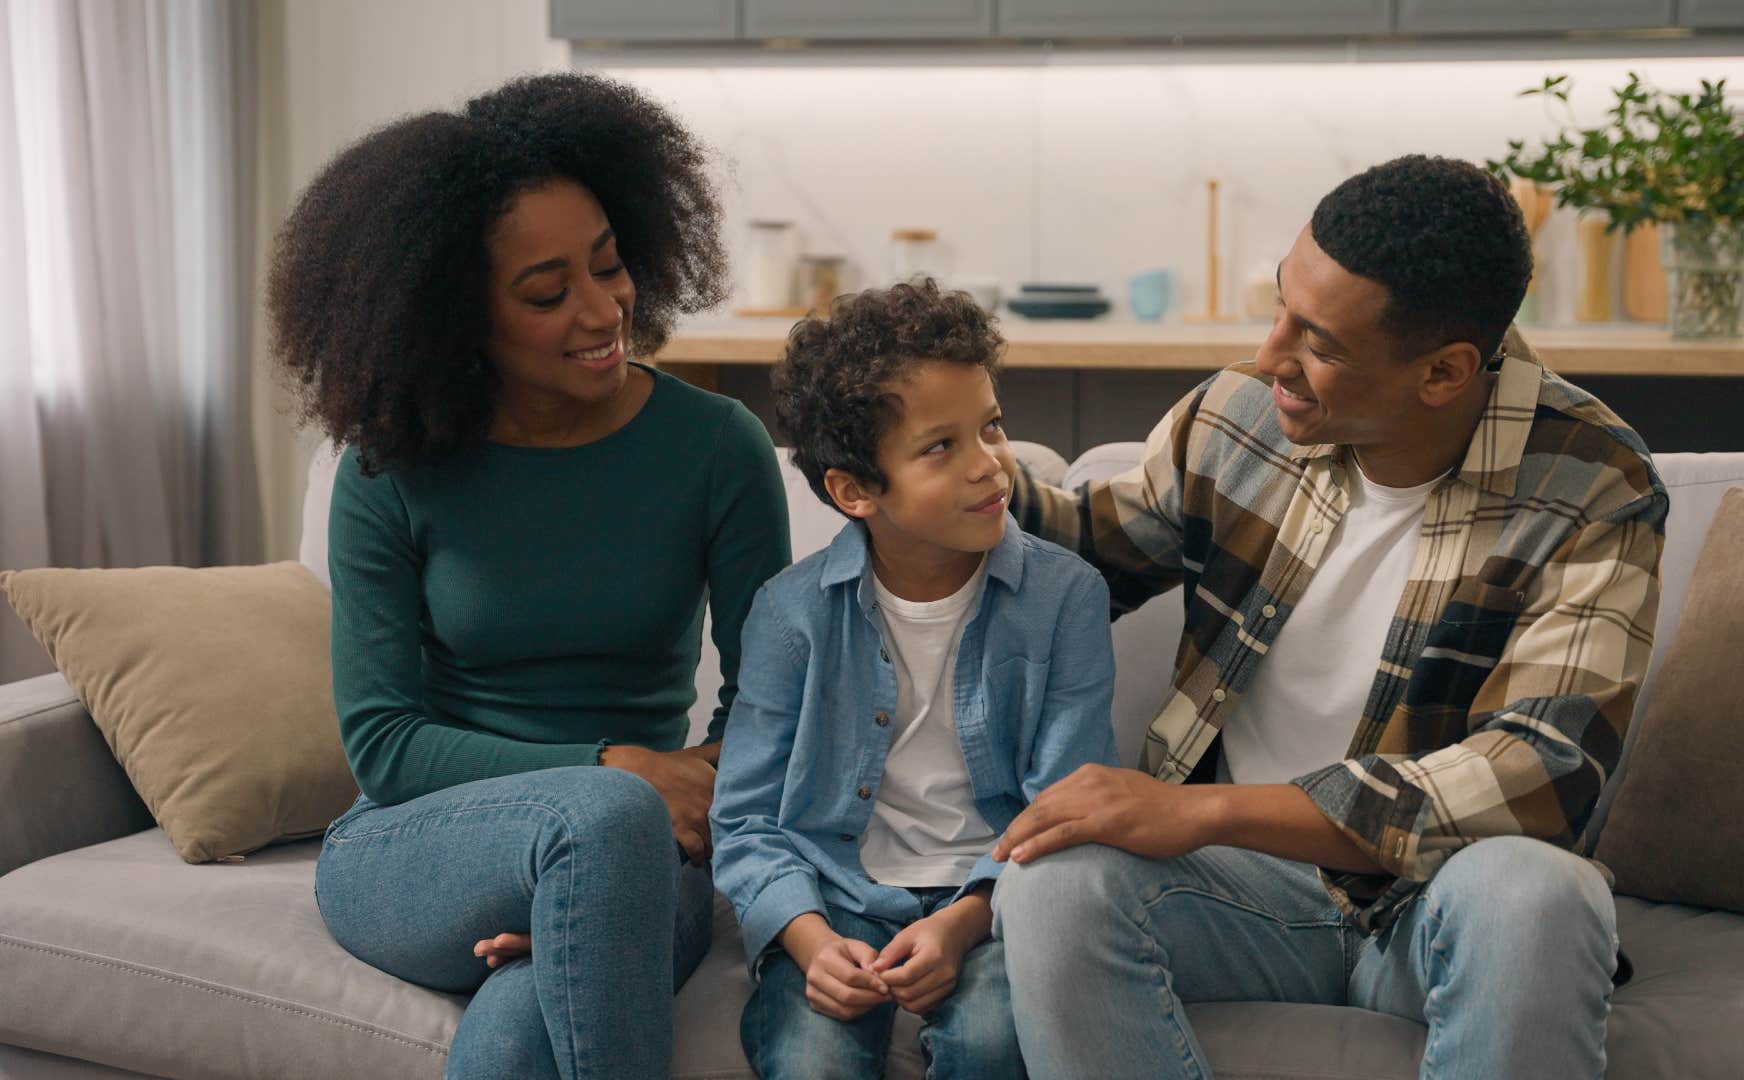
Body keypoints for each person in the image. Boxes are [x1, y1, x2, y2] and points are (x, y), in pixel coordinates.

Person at [990, 155, 1667, 1079]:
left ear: (1445, 371)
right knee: (1053, 886)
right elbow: (1083, 554)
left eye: (1319, 343)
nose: (1270, 357)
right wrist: (958, 469)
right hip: (1234, 897)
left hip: (1435, 907)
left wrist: (1199, 809)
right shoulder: (1236, 419)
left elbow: (1541, 774)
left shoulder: (1592, 483)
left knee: (1537, 891)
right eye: (1281, 309)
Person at [267, 73, 790, 1080]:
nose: (604, 310)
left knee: (514, 1040)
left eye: (609, 265)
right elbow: (384, 745)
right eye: (548, 293)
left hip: (637, 858)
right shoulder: (389, 469)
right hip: (420, 848)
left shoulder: (717, 447)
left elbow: (770, 705)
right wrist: (619, 766)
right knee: (605, 815)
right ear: (456, 317)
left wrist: (642, 830)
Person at [710, 281, 1120, 1079]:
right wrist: (809, 940)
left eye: (992, 426)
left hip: (1000, 903)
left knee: (998, 1045)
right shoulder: (790, 615)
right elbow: (748, 819)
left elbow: (1066, 804)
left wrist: (966, 921)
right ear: (854, 490)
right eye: (942, 447)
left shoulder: (1066, 597)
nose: (989, 465)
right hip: (834, 901)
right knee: (809, 1057)